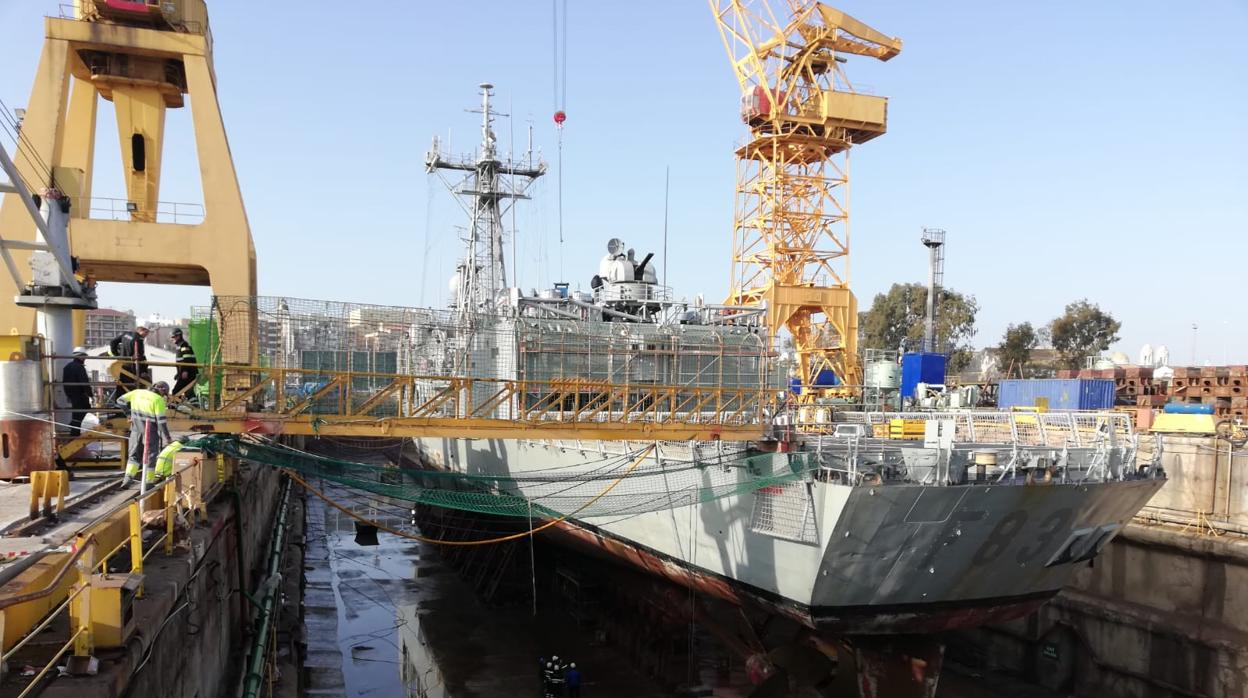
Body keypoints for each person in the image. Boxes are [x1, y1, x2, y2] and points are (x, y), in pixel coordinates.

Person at [118, 381, 171, 488]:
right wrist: (168, 438)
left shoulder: (137, 392)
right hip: (150, 431)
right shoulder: (158, 400)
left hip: (135, 430)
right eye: (164, 394)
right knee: (151, 456)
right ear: (162, 390)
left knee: (134, 455)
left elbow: (120, 401)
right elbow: (161, 422)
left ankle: (128, 478)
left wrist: (128, 414)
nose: (163, 396)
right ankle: (148, 482)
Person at [109, 326, 148, 403]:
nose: (146, 335)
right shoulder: (139, 339)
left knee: (121, 386)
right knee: (131, 387)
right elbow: (140, 355)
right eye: (146, 333)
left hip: (123, 365)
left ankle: (118, 406)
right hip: (132, 367)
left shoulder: (125, 334)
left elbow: (112, 342)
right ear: (141, 331)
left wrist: (116, 354)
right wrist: (144, 369)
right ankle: (130, 406)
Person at [62, 347, 92, 437]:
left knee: (76, 415)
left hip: (72, 395)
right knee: (83, 414)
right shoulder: (79, 367)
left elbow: (64, 382)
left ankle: (74, 432)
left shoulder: (67, 367)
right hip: (80, 395)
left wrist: (68, 395)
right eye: (84, 356)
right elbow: (85, 382)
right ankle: (76, 433)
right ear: (80, 356)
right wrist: (90, 394)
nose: (85, 358)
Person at [170, 328, 198, 400]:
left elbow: (187, 359)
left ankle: (175, 408)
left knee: (176, 392)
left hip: (188, 374)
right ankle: (193, 405)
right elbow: (181, 361)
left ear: (178, 336)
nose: (171, 339)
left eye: (173, 337)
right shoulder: (180, 346)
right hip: (186, 373)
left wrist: (185, 371)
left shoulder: (184, 345)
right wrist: (178, 373)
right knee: (188, 393)